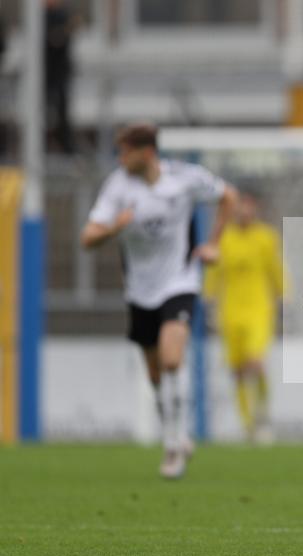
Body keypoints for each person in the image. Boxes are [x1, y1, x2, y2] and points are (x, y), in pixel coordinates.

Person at [80, 123, 238, 479]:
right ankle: (173, 429)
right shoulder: (117, 187)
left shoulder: (183, 178)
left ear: (146, 152)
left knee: (171, 359)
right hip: (139, 290)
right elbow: (87, 238)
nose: (120, 159)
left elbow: (228, 195)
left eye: (125, 152)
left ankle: (174, 445)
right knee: (154, 372)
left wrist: (213, 242)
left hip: (179, 282)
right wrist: (113, 228)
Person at [204, 189, 286, 444]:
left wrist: (284, 295)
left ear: (256, 208)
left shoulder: (266, 237)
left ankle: (262, 415)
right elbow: (214, 273)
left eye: (249, 206)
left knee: (255, 361)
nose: (244, 211)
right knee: (238, 371)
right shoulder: (223, 238)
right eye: (240, 206)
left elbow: (276, 268)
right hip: (229, 312)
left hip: (259, 309)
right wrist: (207, 298)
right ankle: (248, 426)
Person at [44, 0, 79, 154]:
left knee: (61, 111)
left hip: (59, 73)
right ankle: (45, 146)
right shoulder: (41, 16)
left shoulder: (62, 15)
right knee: (43, 112)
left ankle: (66, 147)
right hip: (43, 73)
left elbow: (63, 37)